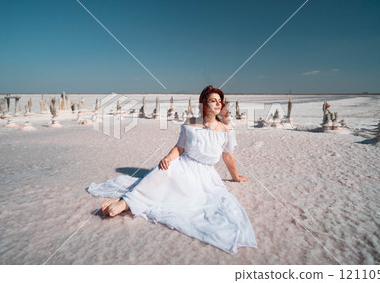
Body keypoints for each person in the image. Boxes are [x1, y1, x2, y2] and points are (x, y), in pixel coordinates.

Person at [88, 85, 257, 254]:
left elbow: (228, 156)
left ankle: (126, 201)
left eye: (220, 101)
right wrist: (169, 157)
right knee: (162, 171)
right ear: (204, 103)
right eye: (213, 100)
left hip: (205, 174)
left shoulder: (226, 129)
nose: (218, 104)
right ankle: (126, 202)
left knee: (189, 199)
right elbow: (179, 148)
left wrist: (235, 177)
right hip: (183, 162)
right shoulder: (190, 124)